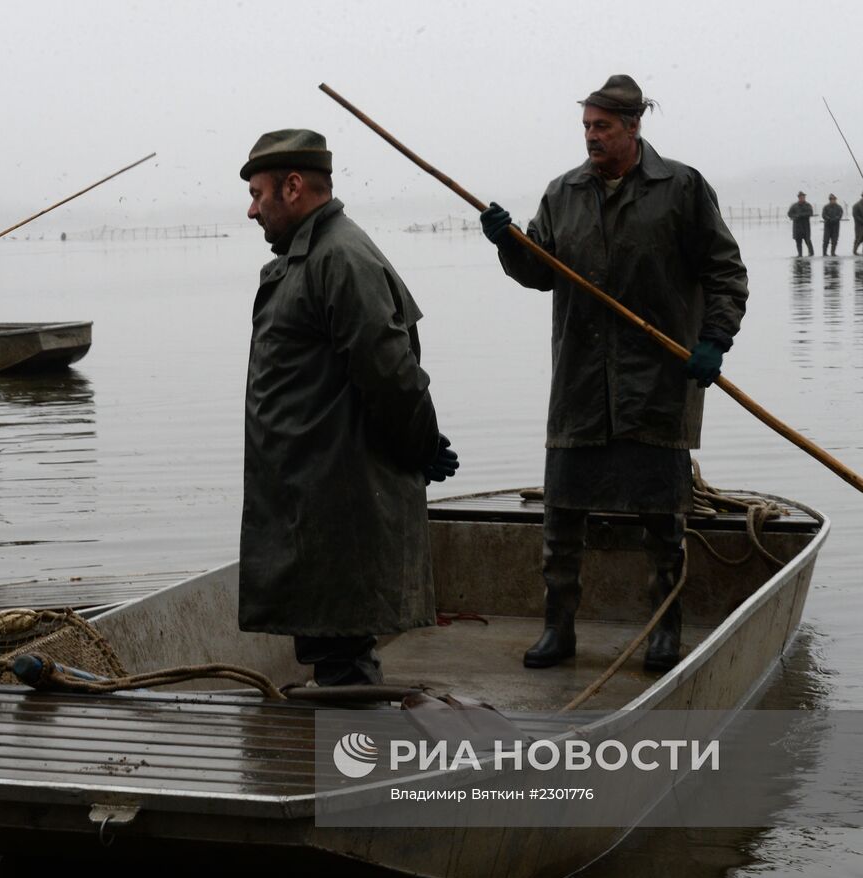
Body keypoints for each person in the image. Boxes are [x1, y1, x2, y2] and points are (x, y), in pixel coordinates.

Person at [478, 75, 747, 673]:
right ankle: (558, 629)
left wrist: (714, 340)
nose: (591, 138)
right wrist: (510, 245)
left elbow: (726, 272)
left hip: (656, 380)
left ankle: (663, 631)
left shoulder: (681, 187)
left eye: (602, 127)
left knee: (661, 517)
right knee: (563, 514)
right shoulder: (563, 192)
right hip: (579, 381)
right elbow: (539, 273)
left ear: (634, 127)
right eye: (586, 127)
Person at [237, 129, 458, 687]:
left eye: (259, 194)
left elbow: (392, 374)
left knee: (343, 649)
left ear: (293, 187)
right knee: (330, 639)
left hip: (336, 499)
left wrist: (422, 444)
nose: (251, 210)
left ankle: (350, 753)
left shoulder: (341, 257)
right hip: (310, 497)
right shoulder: (306, 258)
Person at [787, 192, 814, 257]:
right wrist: (795, 216)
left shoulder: (808, 205)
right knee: (798, 242)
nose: (802, 198)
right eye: (801, 197)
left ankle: (811, 253)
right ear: (798, 197)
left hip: (805, 226)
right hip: (797, 227)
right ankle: (800, 254)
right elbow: (789, 214)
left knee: (808, 241)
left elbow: (810, 213)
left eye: (803, 197)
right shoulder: (794, 206)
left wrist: (802, 215)